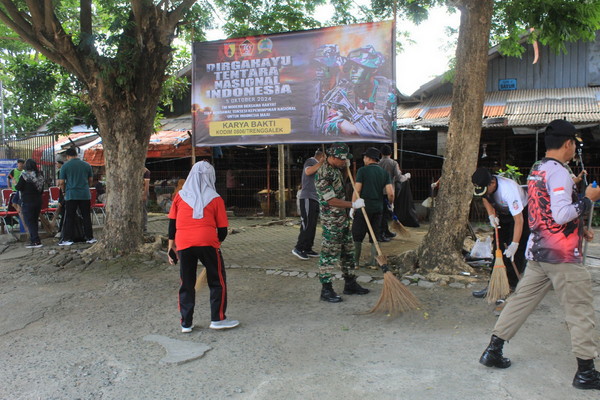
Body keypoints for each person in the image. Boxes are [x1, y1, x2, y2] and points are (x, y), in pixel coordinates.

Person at [478, 119, 600, 391]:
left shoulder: (537, 169)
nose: (573, 151)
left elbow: (544, 214)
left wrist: (578, 228)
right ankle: (586, 372)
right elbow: (560, 214)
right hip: (563, 257)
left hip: (538, 251)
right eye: (574, 146)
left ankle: (493, 350)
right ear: (568, 144)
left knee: (520, 301)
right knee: (579, 311)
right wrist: (588, 199)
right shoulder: (558, 172)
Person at [167, 161, 239, 333]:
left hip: (183, 243)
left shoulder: (180, 196)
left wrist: (171, 248)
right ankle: (218, 319)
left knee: (187, 283)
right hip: (208, 242)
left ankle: (186, 323)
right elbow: (222, 230)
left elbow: (172, 224)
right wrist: (216, 244)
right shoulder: (215, 198)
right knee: (217, 281)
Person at [314, 142, 369, 302]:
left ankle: (350, 283)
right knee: (329, 254)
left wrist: (346, 168)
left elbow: (342, 183)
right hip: (331, 221)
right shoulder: (323, 172)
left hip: (342, 219)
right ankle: (326, 289)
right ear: (332, 157)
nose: (344, 162)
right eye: (343, 159)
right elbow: (330, 200)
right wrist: (353, 204)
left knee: (348, 252)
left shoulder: (336, 169)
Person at [471, 167, 530, 299]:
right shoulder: (485, 188)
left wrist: (514, 244)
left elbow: (519, 220)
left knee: (515, 252)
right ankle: (494, 285)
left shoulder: (508, 191)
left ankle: (511, 286)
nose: (485, 193)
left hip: (522, 213)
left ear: (492, 183)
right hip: (503, 213)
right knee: (498, 250)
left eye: (486, 189)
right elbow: (485, 198)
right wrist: (491, 215)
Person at [352, 147, 393, 267]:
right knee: (375, 235)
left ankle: (355, 262)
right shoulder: (384, 173)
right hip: (378, 208)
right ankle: (374, 263)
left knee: (357, 235)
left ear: (369, 158)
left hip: (363, 208)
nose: (363, 159)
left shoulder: (362, 171)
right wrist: (391, 204)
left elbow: (357, 189)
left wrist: (353, 206)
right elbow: (391, 193)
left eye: (365, 157)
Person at [58, 147, 96, 246]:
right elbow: (91, 179)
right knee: (86, 216)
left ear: (67, 156)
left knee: (70, 216)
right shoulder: (86, 165)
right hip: (84, 194)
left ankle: (68, 238)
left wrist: (63, 192)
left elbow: (61, 182)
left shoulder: (65, 166)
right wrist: (87, 186)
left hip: (71, 194)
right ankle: (90, 237)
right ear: (76, 154)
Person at [292, 149, 325, 260]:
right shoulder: (311, 161)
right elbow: (308, 172)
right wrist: (321, 163)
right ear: (322, 156)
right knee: (306, 224)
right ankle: (298, 248)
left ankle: (307, 248)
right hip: (307, 197)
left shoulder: (319, 166)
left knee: (312, 225)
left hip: (316, 198)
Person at [379, 144, 410, 239]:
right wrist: (407, 176)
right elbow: (399, 178)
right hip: (388, 193)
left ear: (381, 154)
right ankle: (382, 234)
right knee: (384, 214)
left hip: (378, 192)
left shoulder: (377, 163)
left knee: (381, 213)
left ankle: (385, 232)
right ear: (391, 154)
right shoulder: (393, 163)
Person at [15, 159, 44, 248]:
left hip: (27, 201)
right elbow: (41, 190)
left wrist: (15, 183)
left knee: (29, 221)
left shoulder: (24, 175)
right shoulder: (40, 175)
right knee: (34, 220)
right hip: (38, 200)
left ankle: (35, 241)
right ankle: (35, 239)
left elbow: (18, 187)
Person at [142, 167, 150, 232]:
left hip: (142, 191)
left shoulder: (146, 172)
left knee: (143, 210)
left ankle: (144, 227)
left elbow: (147, 185)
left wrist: (145, 194)